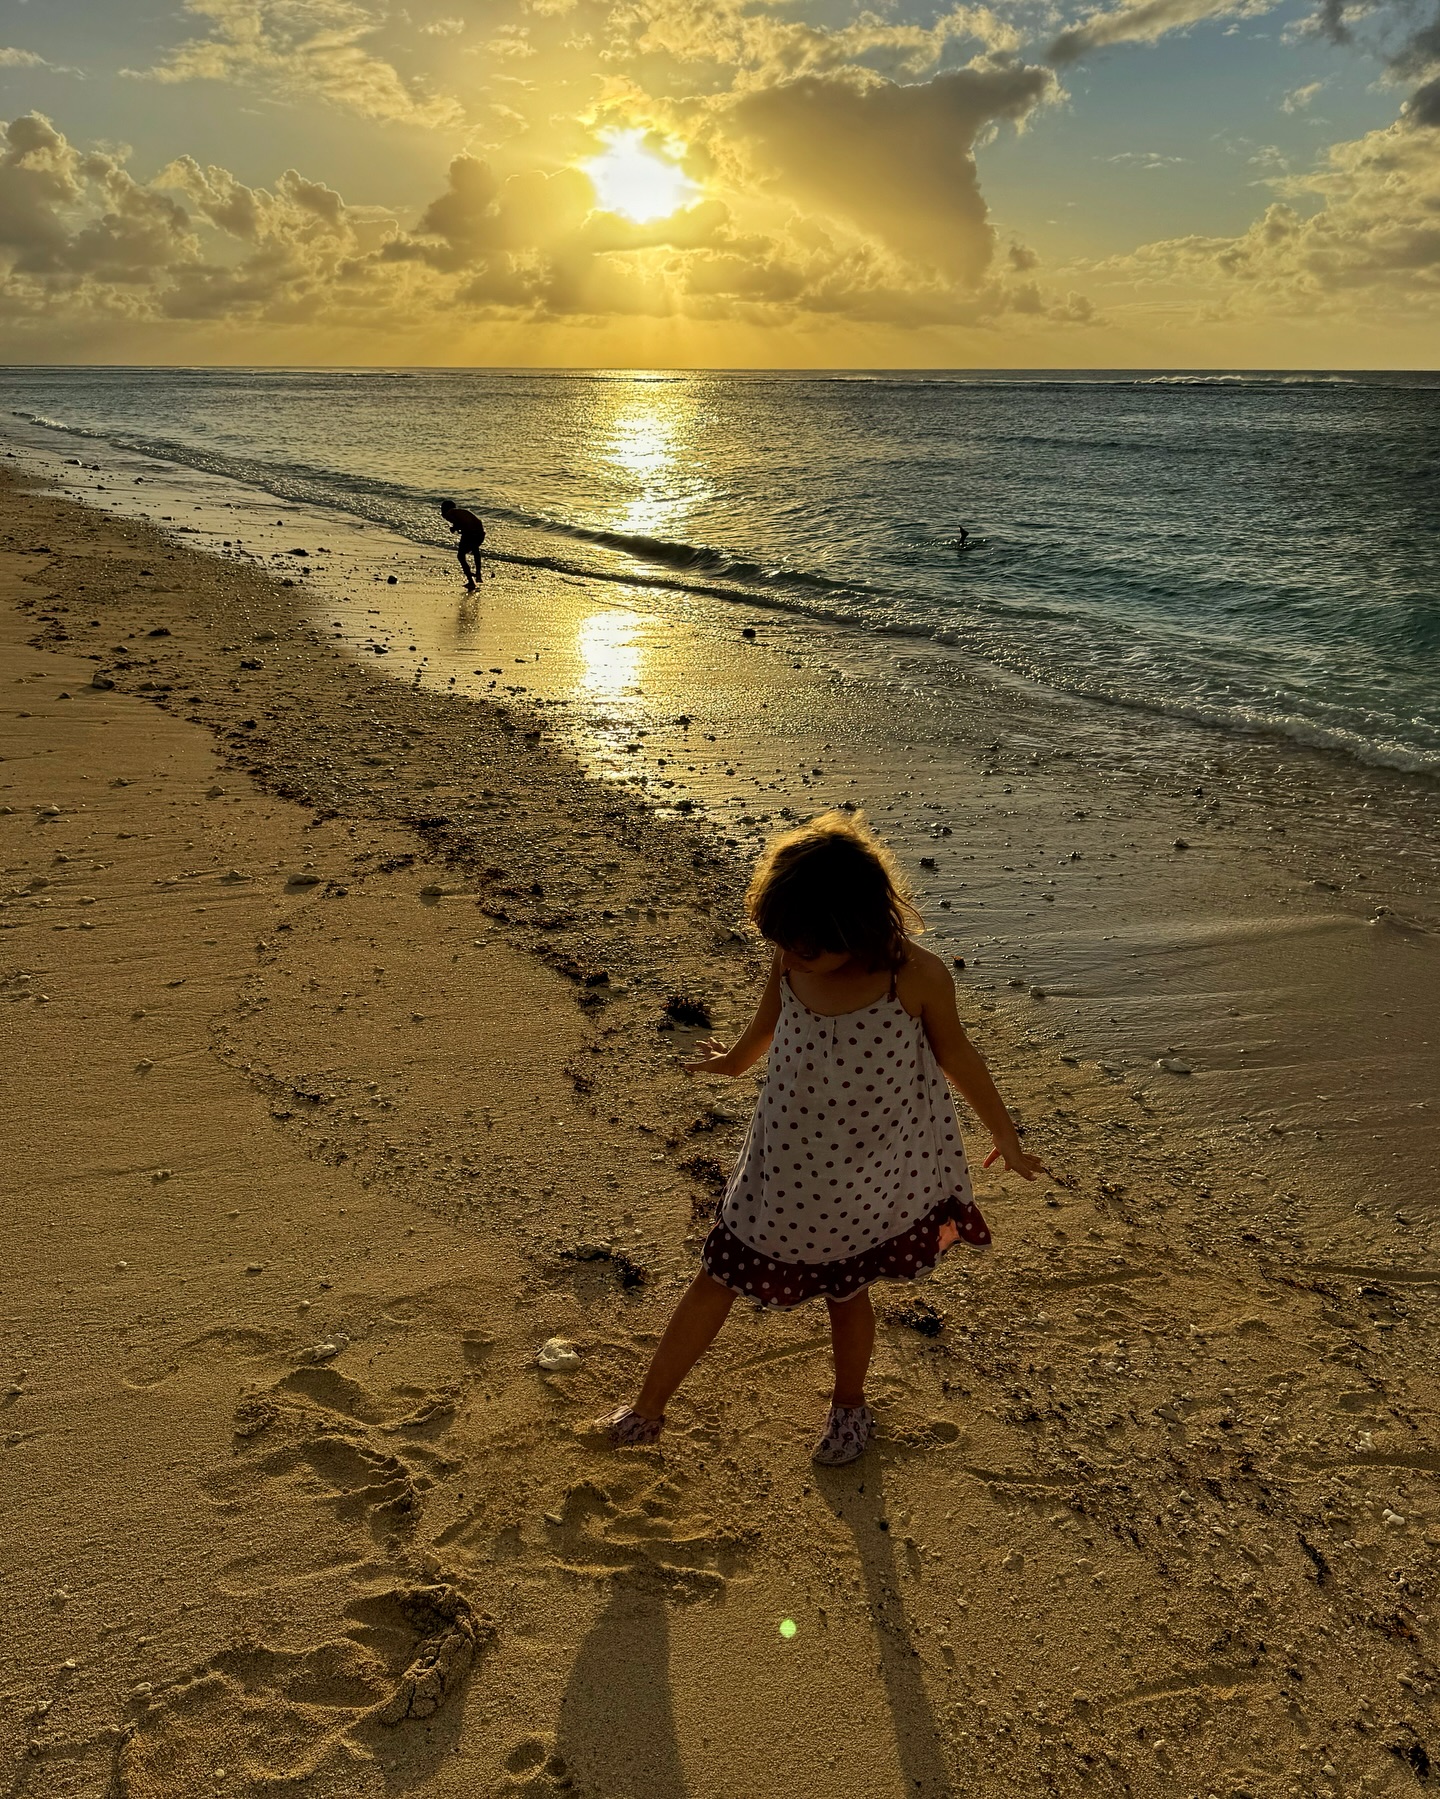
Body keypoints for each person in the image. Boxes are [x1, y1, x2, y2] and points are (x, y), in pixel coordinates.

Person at [593, 811, 1048, 1465]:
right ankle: (647, 1409)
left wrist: (1004, 1131)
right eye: (785, 943)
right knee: (716, 1274)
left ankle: (849, 1404)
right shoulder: (792, 954)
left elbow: (958, 1056)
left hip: (863, 1173)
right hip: (779, 1161)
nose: (792, 953)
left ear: (857, 927)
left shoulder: (914, 978)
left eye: (806, 946)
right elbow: (764, 1027)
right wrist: (731, 1062)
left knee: (846, 1291)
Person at [440, 498, 485, 590]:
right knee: (475, 550)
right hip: (480, 533)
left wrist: (454, 528)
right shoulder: (460, 512)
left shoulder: (449, 513)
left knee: (460, 556)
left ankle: (471, 580)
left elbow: (458, 523)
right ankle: (478, 574)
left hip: (470, 533)